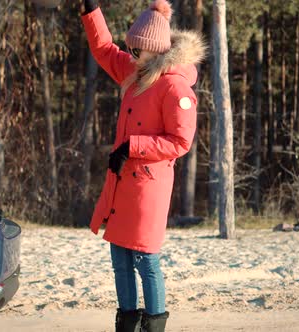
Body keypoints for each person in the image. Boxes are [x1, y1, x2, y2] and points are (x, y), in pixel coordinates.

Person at [81, 0, 205, 331]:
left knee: (145, 258)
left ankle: (153, 324)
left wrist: (132, 146)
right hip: (123, 182)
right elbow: (105, 49)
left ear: (154, 50)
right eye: (131, 50)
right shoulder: (136, 72)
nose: (131, 56)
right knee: (119, 255)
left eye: (137, 51)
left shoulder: (175, 87)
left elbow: (180, 143)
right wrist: (91, 10)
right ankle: (127, 323)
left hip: (149, 186)